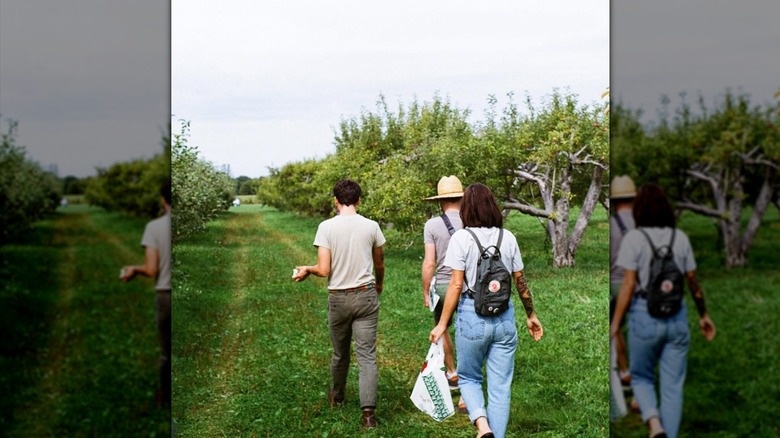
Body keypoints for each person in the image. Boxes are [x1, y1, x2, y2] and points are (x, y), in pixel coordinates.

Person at [430, 183, 543, 438]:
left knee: (469, 377)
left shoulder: (462, 238)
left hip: (472, 316)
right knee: (500, 387)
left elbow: (457, 284)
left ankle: (483, 427)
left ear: (466, 209)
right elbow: (520, 281)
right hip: (504, 318)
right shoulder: (509, 237)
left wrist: (442, 324)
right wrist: (531, 315)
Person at [611, 184, 716, 438]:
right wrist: (703, 315)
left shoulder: (634, 239)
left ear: (639, 209)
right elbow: (693, 283)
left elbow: (628, 284)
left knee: (641, 376)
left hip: (643, 315)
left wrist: (615, 323)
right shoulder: (679, 238)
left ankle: (654, 423)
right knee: (672, 387)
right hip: (677, 317)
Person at [292, 179, 385, 429]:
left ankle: (338, 396)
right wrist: (379, 284)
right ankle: (368, 415)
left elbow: (324, 270)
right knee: (367, 356)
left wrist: (307, 269)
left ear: (335, 200)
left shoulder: (326, 227)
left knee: (340, 353)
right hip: (365, 295)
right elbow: (379, 263)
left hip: (339, 298)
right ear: (358, 200)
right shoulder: (372, 226)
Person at [120, 180, 172, 408]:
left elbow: (151, 270)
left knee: (166, 352)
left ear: (163, 200)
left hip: (165, 296)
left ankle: (163, 398)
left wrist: (133, 269)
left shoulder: (155, 227)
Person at [422, 175, 464, 399]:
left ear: (440, 201)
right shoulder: (471, 221)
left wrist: (426, 291)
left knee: (443, 325)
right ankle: (469, 375)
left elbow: (430, 262)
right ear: (461, 199)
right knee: (467, 329)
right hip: (468, 285)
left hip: (444, 285)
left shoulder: (432, 225)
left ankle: (452, 372)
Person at [609, 176, 636, 410]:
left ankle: (624, 371)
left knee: (615, 329)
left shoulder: (611, 224)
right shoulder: (642, 224)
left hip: (614, 284)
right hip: (636, 284)